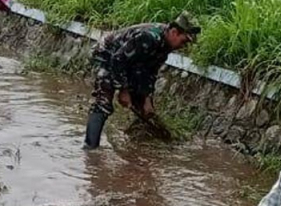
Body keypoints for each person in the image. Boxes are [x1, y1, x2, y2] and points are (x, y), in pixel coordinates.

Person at [83, 12, 200, 149]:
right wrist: (123, 90)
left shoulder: (166, 44)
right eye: (184, 41)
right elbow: (118, 60)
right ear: (174, 32)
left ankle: (137, 142)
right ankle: (90, 149)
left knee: (143, 106)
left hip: (129, 62)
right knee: (103, 102)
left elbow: (150, 71)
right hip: (107, 56)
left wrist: (147, 99)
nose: (184, 46)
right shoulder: (148, 37)